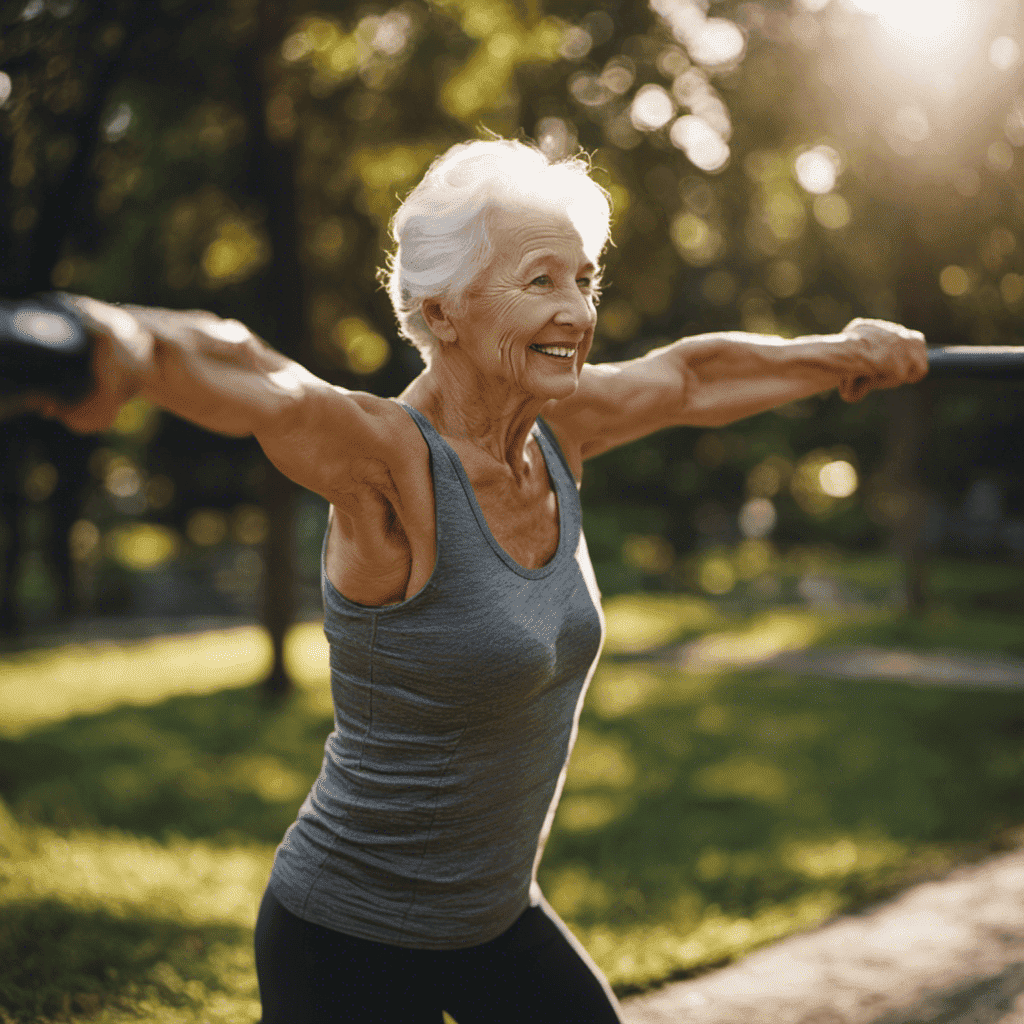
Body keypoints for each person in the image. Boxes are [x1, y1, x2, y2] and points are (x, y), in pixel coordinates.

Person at [33, 138, 928, 1023]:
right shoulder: (389, 461)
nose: (577, 310)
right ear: (443, 309)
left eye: (584, 279)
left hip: (493, 919)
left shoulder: (558, 430)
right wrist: (125, 343)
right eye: (541, 281)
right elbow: (265, 379)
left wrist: (842, 353)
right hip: (349, 942)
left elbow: (690, 377)